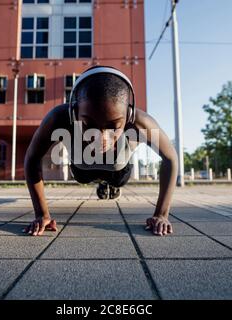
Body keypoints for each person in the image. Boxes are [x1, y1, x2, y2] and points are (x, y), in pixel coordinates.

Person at [23, 66, 178, 236]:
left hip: (117, 172)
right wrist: (41, 214)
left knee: (117, 175)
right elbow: (32, 158)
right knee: (83, 175)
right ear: (74, 112)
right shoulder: (58, 118)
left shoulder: (141, 123)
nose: (101, 137)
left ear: (129, 114)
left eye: (113, 127)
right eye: (89, 125)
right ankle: (101, 181)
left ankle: (110, 185)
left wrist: (161, 215)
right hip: (83, 171)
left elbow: (170, 158)